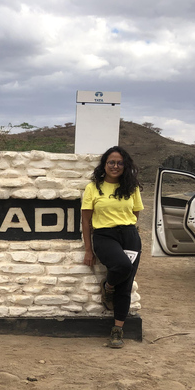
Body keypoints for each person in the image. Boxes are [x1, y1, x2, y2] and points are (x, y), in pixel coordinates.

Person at [81, 146, 144, 348]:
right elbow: (85, 220)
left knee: (126, 285)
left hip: (129, 236)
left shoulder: (131, 188)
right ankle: (108, 287)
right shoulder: (93, 187)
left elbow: (136, 214)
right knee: (123, 267)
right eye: (111, 162)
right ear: (104, 165)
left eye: (119, 163)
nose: (115, 166)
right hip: (104, 235)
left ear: (125, 166)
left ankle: (117, 330)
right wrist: (88, 250)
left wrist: (130, 231)